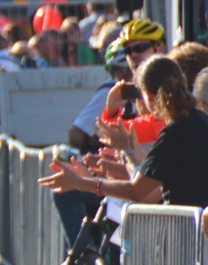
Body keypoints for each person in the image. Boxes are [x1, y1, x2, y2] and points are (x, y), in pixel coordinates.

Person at [41, 56, 208, 208]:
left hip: (190, 234)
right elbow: (149, 187)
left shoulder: (176, 131)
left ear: (148, 96)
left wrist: (80, 182)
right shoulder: (199, 120)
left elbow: (138, 190)